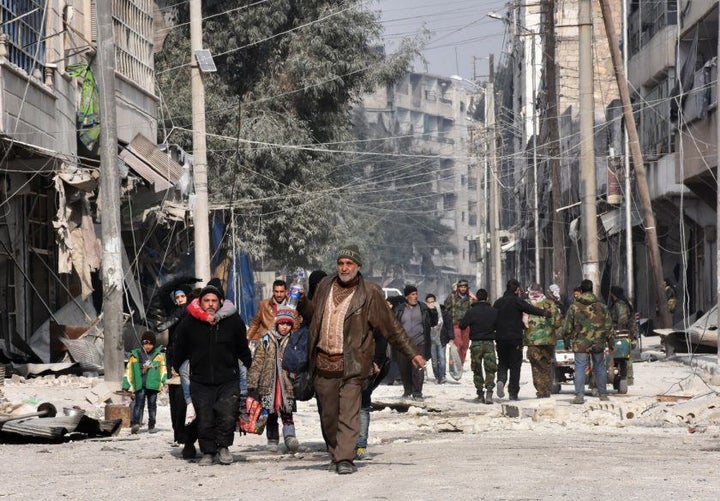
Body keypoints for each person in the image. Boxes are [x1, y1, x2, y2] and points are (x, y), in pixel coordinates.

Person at [298, 244, 425, 475]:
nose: (344, 268)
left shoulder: (370, 293)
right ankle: (335, 452)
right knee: (328, 415)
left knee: (349, 413)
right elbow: (314, 315)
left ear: (358, 267)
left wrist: (412, 352)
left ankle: (345, 458)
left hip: (353, 365)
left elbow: (391, 328)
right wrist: (302, 304)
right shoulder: (325, 285)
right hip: (323, 363)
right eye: (341, 263)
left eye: (349, 264)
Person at [173, 278, 252, 466]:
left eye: (214, 301)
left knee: (226, 415)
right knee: (205, 418)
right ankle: (208, 452)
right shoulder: (190, 322)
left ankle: (223, 448)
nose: (210, 304)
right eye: (206, 300)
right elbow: (180, 347)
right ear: (200, 302)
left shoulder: (232, 321)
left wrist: (246, 365)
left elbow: (242, 347)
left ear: (220, 302)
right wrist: (179, 366)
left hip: (227, 379)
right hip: (200, 381)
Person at [247, 308, 300, 453]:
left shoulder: (293, 340)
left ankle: (290, 437)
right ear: (276, 323)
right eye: (282, 323)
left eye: (288, 324)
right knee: (270, 413)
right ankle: (272, 439)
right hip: (268, 383)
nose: (284, 327)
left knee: (287, 412)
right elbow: (258, 361)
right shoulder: (265, 339)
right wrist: (252, 382)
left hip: (286, 383)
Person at [492, 279, 550, 401]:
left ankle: (501, 380)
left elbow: (493, 320)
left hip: (501, 339)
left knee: (502, 362)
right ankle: (513, 393)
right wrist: (544, 313)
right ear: (517, 289)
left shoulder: (498, 303)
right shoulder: (517, 301)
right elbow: (530, 309)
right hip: (515, 339)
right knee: (515, 365)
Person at [563, 279, 614, 404]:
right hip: (598, 341)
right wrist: (610, 342)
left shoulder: (574, 307)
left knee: (580, 367)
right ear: (592, 290)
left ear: (580, 290)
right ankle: (603, 394)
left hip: (580, 342)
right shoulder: (602, 307)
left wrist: (566, 340)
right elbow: (609, 326)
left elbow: (567, 327)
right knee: (600, 367)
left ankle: (579, 396)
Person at [393, 285, 437, 400]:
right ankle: (408, 390)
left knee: (418, 368)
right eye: (412, 294)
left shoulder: (423, 308)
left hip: (420, 342)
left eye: (416, 294)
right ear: (407, 296)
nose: (415, 296)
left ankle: (417, 392)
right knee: (404, 368)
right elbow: (394, 325)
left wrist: (433, 311)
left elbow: (433, 322)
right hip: (404, 344)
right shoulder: (399, 309)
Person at [122, 331, 167, 434]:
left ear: (154, 344)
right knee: (138, 405)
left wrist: (165, 382)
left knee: (152, 406)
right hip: (140, 385)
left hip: (153, 385)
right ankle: (136, 424)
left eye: (150, 344)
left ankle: (151, 425)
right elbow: (128, 371)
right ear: (142, 343)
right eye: (146, 344)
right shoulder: (135, 355)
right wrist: (125, 385)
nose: (148, 346)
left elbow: (163, 371)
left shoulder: (159, 356)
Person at [524, 283, 563, 398]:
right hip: (548, 340)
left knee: (536, 366)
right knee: (546, 365)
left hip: (532, 341)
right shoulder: (550, 304)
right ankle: (547, 389)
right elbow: (557, 323)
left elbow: (523, 323)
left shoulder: (526, 305)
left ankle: (540, 390)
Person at [459, 289, 497, 404]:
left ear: (477, 298)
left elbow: (462, 325)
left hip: (476, 344)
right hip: (489, 343)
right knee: (490, 368)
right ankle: (489, 391)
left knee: (477, 368)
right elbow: (499, 325)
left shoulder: (471, 311)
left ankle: (480, 394)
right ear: (487, 298)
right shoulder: (494, 311)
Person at [609, 285, 638, 384]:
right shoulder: (622, 303)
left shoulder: (619, 305)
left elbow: (622, 319)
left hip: (622, 333)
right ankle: (628, 378)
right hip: (626, 332)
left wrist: (615, 329)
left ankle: (628, 378)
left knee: (624, 356)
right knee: (626, 356)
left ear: (613, 294)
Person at [443, 279, 474, 365]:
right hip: (455, 324)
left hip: (466, 325)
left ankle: (461, 364)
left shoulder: (470, 299)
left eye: (465, 287)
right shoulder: (452, 297)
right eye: (461, 287)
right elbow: (446, 308)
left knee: (464, 346)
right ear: (458, 288)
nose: (463, 289)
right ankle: (453, 363)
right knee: (457, 344)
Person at [426, 293, 450, 384]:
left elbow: (448, 324)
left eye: (432, 302)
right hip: (430, 340)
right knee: (434, 360)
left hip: (441, 338)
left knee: (442, 358)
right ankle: (437, 376)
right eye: (429, 302)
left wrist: (450, 336)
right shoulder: (425, 313)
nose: (431, 304)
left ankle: (442, 376)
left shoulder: (443, 312)